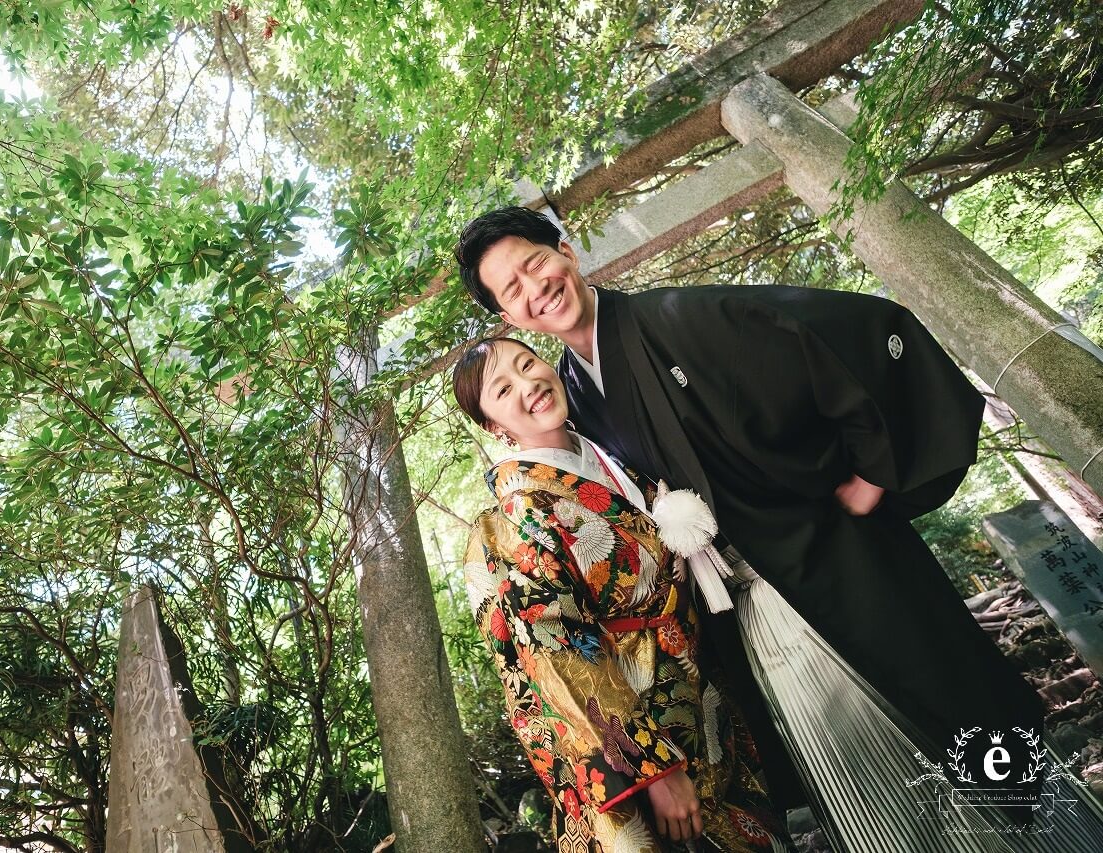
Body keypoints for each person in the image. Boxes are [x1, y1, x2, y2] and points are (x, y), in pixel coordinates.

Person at [453, 206, 1103, 850]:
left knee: (962, 735)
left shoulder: (680, 317)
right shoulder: (573, 400)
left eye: (535, 262)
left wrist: (874, 464)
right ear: (510, 316)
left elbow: (849, 332)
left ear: (566, 251)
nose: (535, 286)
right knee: (869, 794)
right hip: (751, 620)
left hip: (836, 565)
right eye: (512, 288)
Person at [454, 336, 795, 851]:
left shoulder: (604, 453)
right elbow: (556, 652)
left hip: (700, 684)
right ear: (493, 426)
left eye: (528, 364)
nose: (529, 385)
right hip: (641, 717)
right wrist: (652, 769)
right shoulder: (518, 514)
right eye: (504, 389)